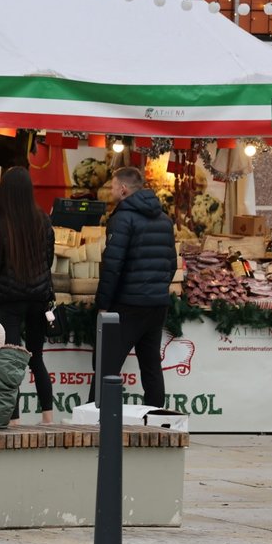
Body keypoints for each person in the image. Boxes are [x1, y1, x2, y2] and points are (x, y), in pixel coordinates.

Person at [91, 166, 177, 408]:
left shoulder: (122, 219)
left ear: (124, 188)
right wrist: (157, 287)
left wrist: (103, 304)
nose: (110, 190)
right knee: (151, 365)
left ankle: (96, 415)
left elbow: (112, 266)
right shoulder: (164, 219)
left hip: (129, 303)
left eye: (112, 186)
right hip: (157, 304)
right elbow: (171, 263)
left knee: (107, 363)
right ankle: (156, 419)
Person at [0, 166, 55, 425]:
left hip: (9, 301)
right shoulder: (43, 220)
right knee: (36, 357)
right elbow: (49, 259)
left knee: (10, 361)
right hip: (38, 298)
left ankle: (14, 419)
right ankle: (48, 416)